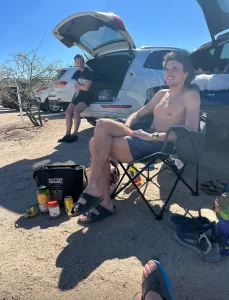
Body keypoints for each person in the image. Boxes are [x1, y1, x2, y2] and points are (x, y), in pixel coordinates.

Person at [73, 51, 200, 223]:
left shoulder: (190, 95)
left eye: (175, 69)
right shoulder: (161, 94)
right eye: (167, 69)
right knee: (102, 126)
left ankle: (102, 199)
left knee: (96, 143)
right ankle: (98, 192)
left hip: (160, 144)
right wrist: (127, 125)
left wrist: (153, 137)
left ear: (186, 73)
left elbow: (189, 132)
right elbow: (138, 114)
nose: (169, 73)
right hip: (143, 137)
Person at [58, 54, 94, 143]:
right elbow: (76, 88)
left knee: (76, 111)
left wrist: (79, 85)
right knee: (67, 112)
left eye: (81, 62)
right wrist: (80, 86)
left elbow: (86, 88)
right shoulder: (78, 73)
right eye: (77, 63)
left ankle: (74, 134)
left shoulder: (89, 72)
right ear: (75, 63)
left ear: (83, 61)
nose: (79, 64)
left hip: (87, 97)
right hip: (79, 96)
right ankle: (67, 134)